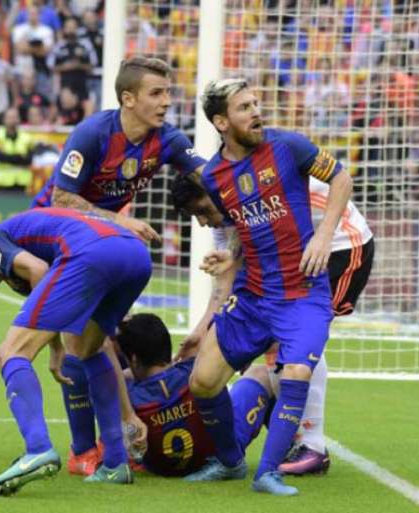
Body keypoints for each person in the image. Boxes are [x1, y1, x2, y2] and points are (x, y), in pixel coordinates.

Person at [169, 78, 353, 496]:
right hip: (255, 295)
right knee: (203, 381)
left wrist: (323, 236)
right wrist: (232, 259)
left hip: (304, 292)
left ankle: (269, 471)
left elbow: (341, 179)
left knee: (296, 370)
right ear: (220, 121)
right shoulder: (215, 177)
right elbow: (249, 228)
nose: (256, 111)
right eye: (244, 107)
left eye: (256, 103)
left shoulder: (289, 146)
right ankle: (232, 462)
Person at [31, 56, 207, 476]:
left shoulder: (166, 139)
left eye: (168, 92)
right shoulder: (93, 133)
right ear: (128, 99)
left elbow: (210, 175)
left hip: (101, 244)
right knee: (80, 346)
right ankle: (83, 451)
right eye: (156, 93)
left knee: (104, 341)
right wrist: (120, 220)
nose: (167, 101)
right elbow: (61, 200)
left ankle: (112, 445)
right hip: (53, 238)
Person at [0, 208, 152, 496]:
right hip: (135, 255)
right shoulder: (22, 238)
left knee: (8, 353)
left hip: (93, 252)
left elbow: (38, 271)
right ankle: (116, 463)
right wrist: (128, 414)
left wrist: (54, 346)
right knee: (88, 348)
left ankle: (38, 449)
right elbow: (102, 344)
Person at [183, 176, 375, 476]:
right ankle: (292, 434)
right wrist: (202, 329)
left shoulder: (254, 182)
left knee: (296, 337)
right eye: (196, 216)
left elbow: (340, 178)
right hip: (296, 256)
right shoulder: (228, 218)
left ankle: (311, 446)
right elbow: (227, 282)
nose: (205, 222)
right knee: (276, 340)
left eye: (203, 211)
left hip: (339, 246)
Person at [115, 313, 275, 478]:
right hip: (216, 455)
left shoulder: (126, 395)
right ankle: (290, 444)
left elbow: (115, 376)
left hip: (161, 468)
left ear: (133, 359)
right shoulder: (194, 372)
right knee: (260, 373)